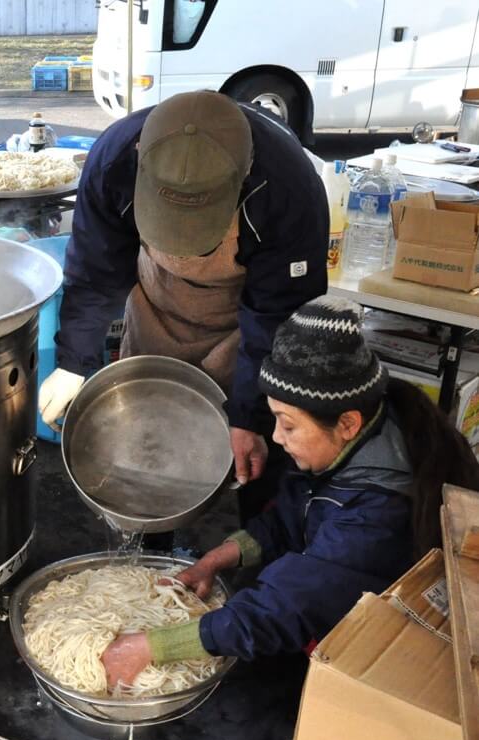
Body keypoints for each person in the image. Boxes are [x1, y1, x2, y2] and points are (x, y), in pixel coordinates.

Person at [100, 295, 479, 687]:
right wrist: (218, 558)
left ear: (347, 423)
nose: (277, 438)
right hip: (332, 607)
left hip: (391, 663)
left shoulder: (379, 512)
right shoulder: (351, 439)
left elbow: (287, 607)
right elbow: (291, 517)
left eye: (289, 424)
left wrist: (152, 647)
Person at [38, 91, 329, 521]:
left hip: (244, 325)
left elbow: (275, 319)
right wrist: (73, 362)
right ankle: (147, 536)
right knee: (144, 444)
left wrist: (249, 417)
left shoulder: (288, 187)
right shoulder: (113, 160)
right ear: (140, 158)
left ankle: (253, 551)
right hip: (158, 303)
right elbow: (95, 274)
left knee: (254, 458)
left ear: (245, 174)